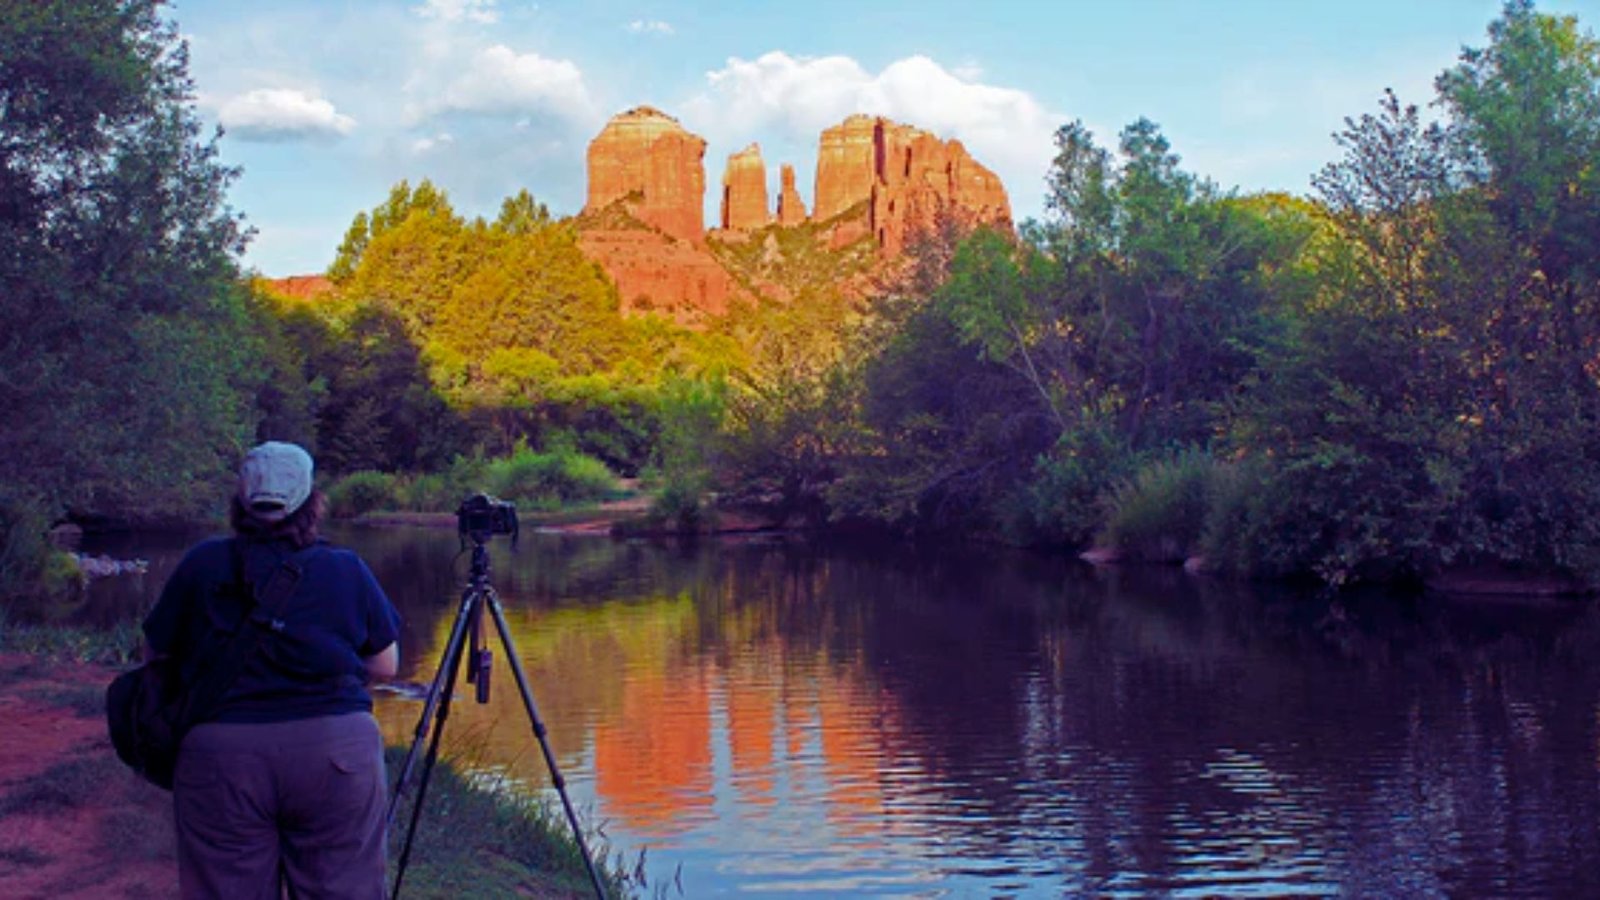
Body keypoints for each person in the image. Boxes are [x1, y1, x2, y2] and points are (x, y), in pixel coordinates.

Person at [142, 441, 401, 899]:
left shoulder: (201, 564)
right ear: (311, 501)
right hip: (336, 753)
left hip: (221, 756)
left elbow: (154, 654)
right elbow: (385, 664)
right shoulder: (345, 568)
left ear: (241, 500)